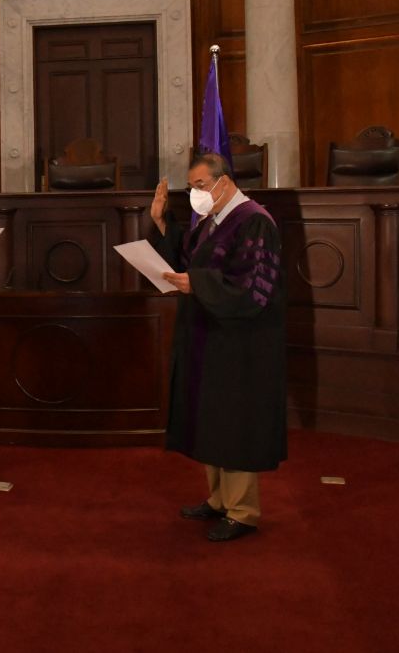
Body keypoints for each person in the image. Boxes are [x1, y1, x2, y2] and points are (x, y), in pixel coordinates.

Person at [150, 151, 287, 542]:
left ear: (223, 182)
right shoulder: (213, 222)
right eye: (191, 187)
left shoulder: (254, 221)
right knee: (211, 418)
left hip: (240, 341)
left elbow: (253, 287)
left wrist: (198, 284)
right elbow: (188, 261)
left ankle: (242, 511)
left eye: (200, 186)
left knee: (234, 423)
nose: (195, 194)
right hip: (209, 334)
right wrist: (161, 221)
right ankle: (219, 499)